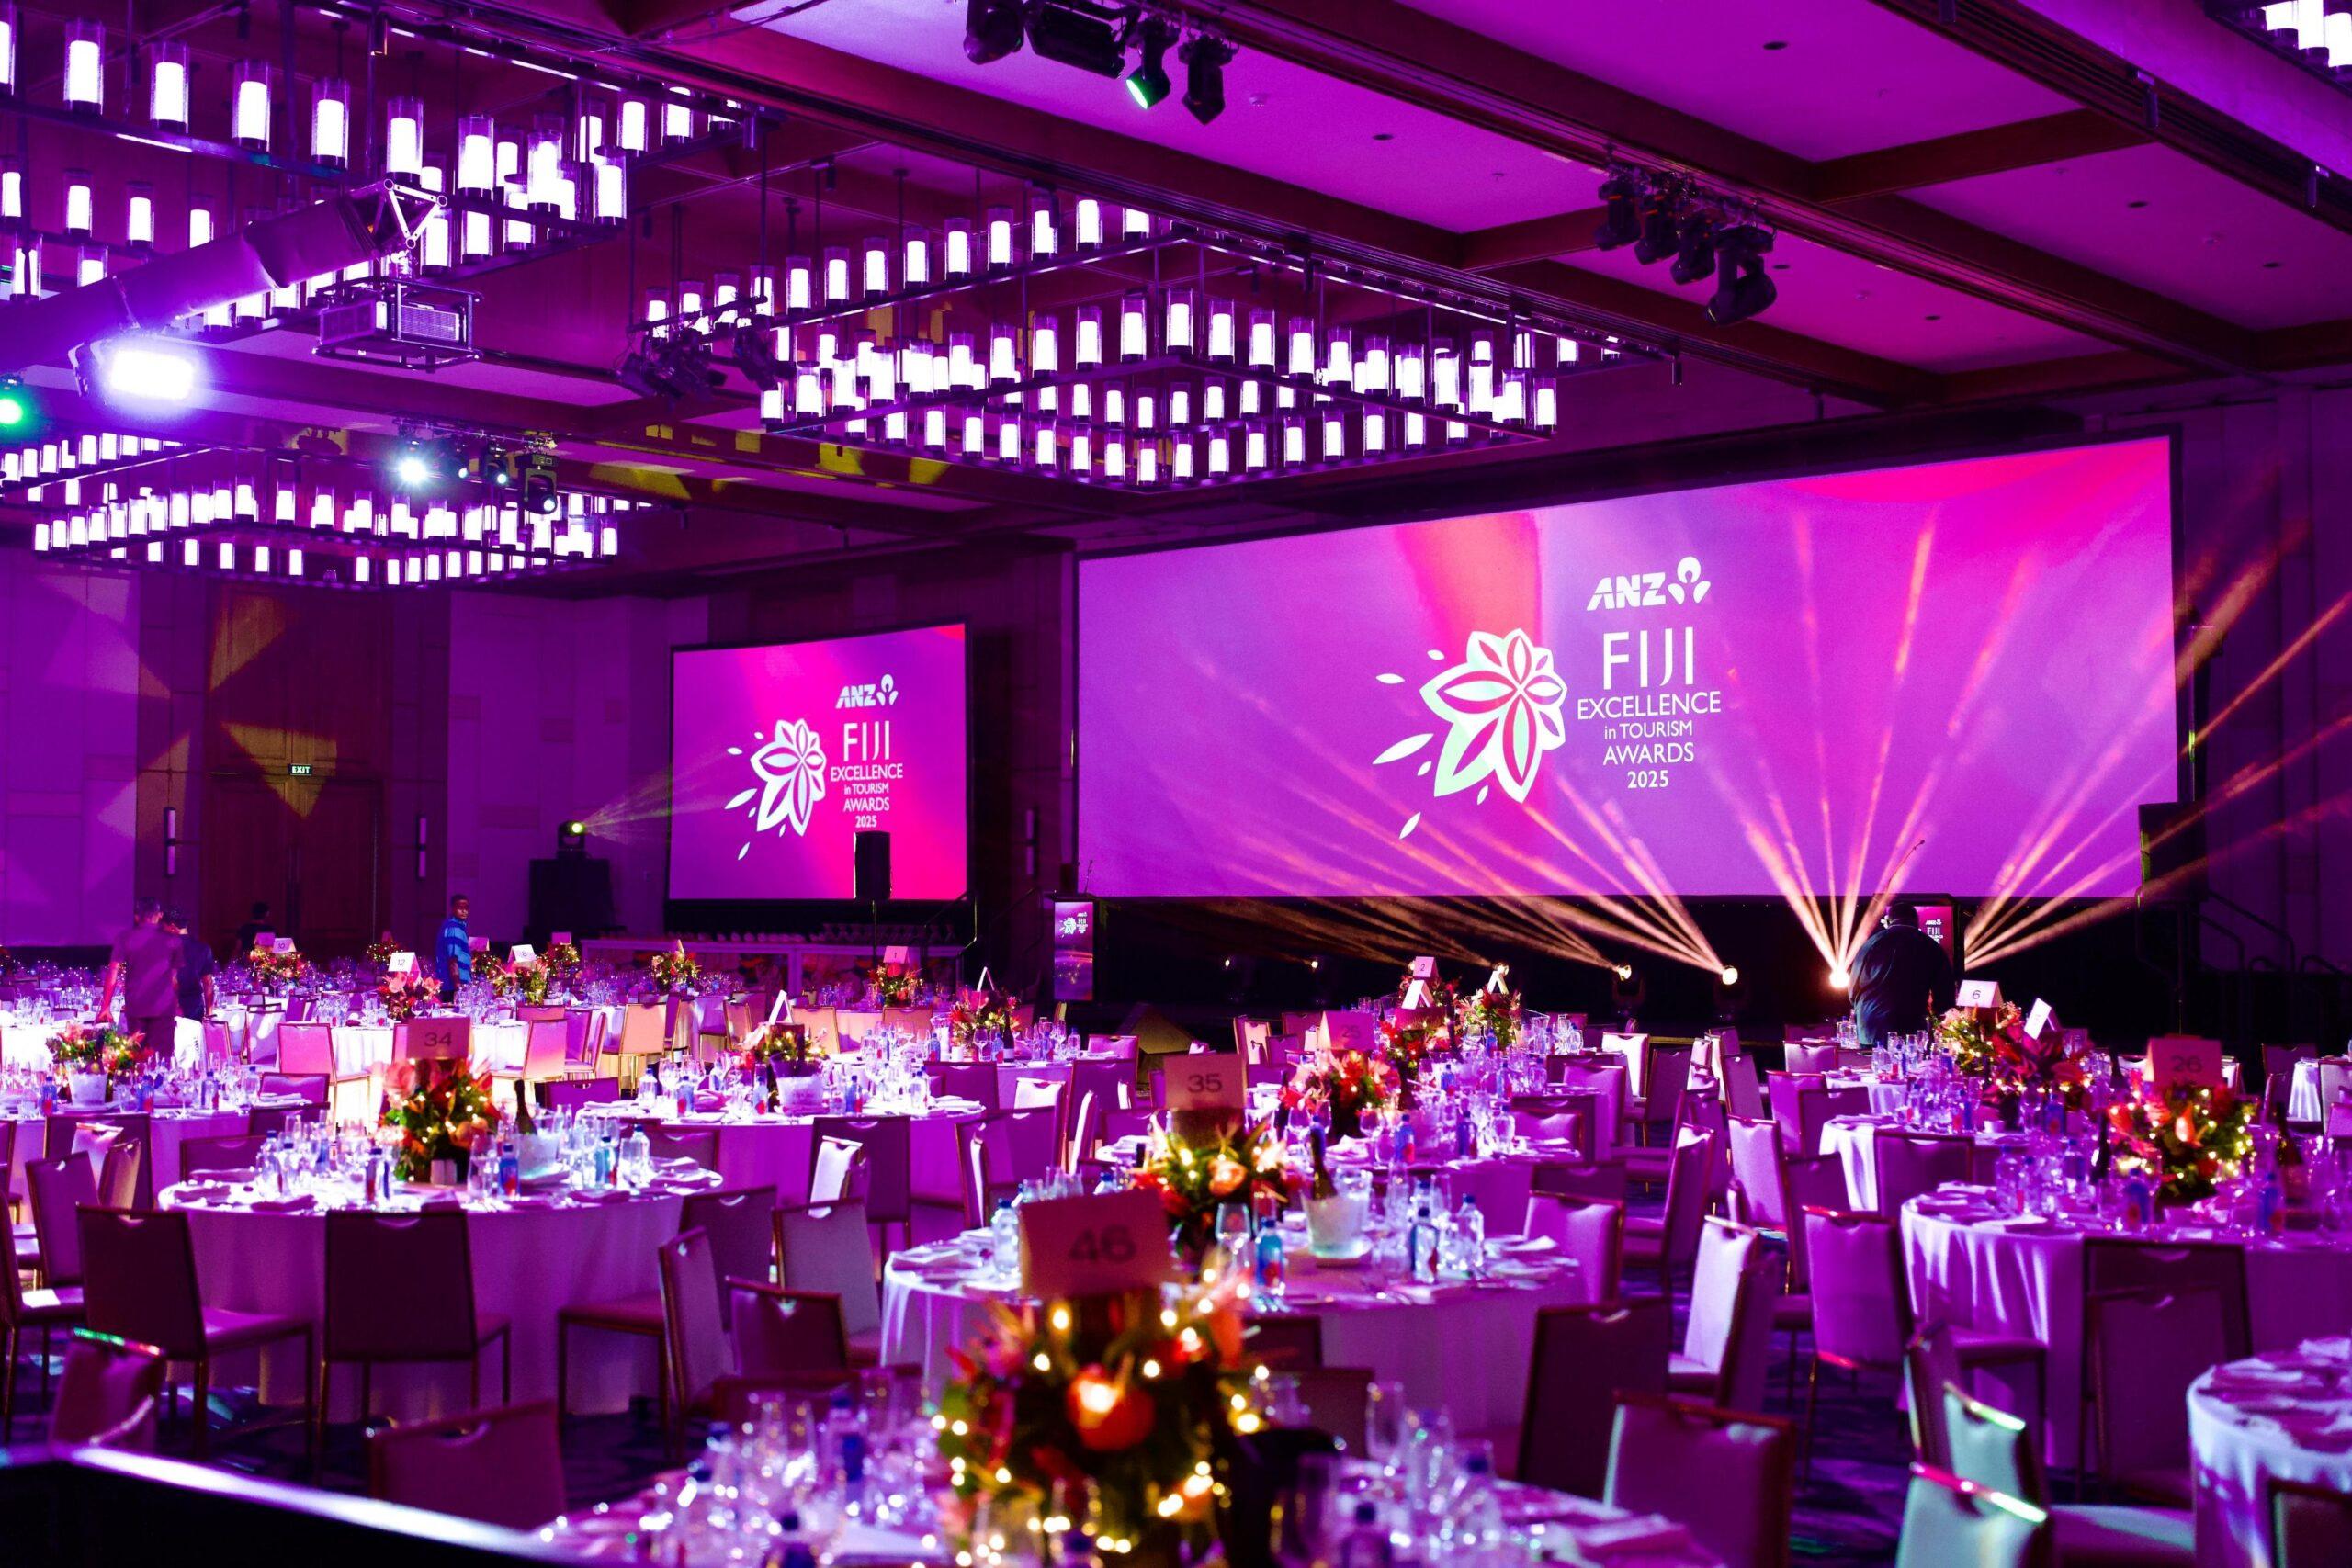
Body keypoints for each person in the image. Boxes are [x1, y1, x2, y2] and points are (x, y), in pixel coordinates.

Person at [1850, 903, 1956, 1045]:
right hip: (1909, 1023)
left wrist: (1862, 1010)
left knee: (1875, 1059)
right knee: (1909, 1058)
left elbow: (1853, 988)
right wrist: (1941, 1021)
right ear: (1916, 921)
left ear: (1889, 921)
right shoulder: (1930, 945)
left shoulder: (1869, 944)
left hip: (1869, 1024)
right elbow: (1945, 993)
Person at [98, 896, 181, 1058]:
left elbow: (113, 971)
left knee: (136, 1057)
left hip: (136, 1007)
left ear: (137, 917)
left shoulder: (125, 938)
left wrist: (105, 1006)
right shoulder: (172, 940)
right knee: (162, 1059)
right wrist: (177, 1005)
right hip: (163, 1008)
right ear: (160, 915)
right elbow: (174, 979)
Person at [163, 908, 216, 1021]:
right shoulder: (203, 948)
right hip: (194, 1008)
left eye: (164, 927)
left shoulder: (164, 948)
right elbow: (208, 983)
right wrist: (209, 1013)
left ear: (172, 927)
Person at [436, 894, 474, 997]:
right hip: (454, 987)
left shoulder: (456, 927)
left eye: (466, 908)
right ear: (452, 908)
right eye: (460, 908)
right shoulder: (454, 928)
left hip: (454, 986)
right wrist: (458, 988)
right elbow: (453, 960)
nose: (464, 911)